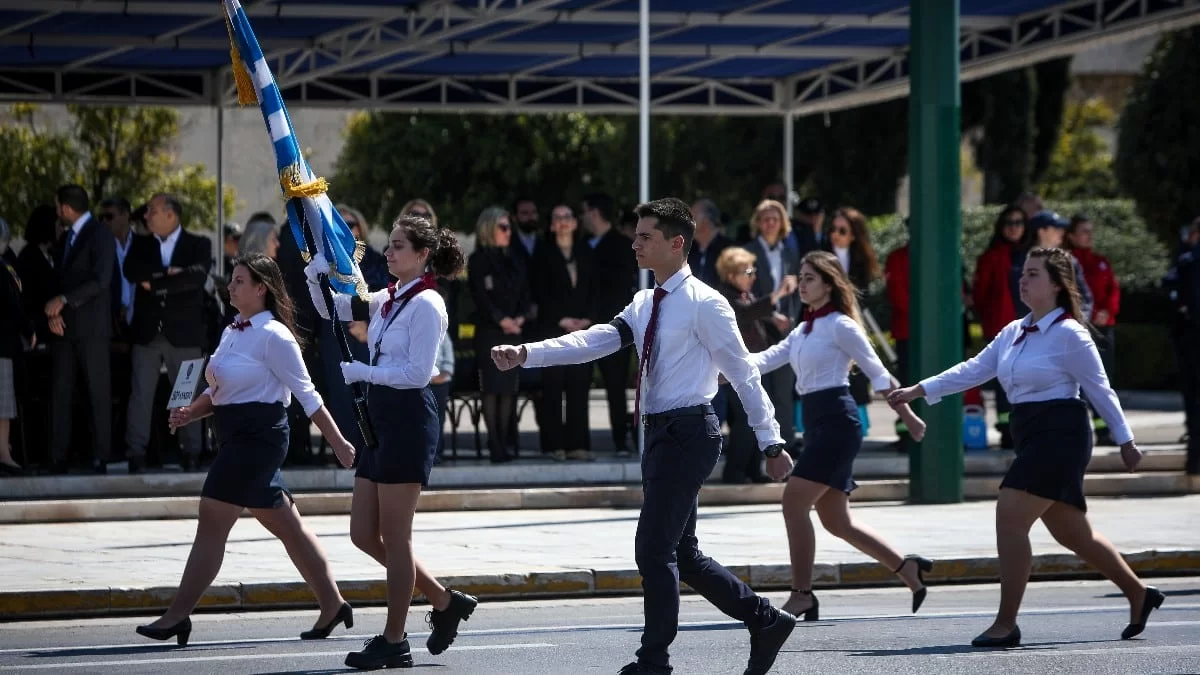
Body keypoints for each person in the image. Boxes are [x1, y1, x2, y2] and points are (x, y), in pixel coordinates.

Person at [491, 198, 797, 675]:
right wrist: (528, 353)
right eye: (635, 236)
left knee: (652, 550)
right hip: (657, 435)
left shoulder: (707, 305)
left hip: (690, 431)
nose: (634, 244)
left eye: (645, 237)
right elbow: (594, 341)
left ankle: (654, 659)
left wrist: (771, 442)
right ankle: (765, 620)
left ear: (677, 244)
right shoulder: (643, 302)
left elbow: (743, 376)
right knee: (684, 554)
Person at [888, 247, 1163, 647]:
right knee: (1075, 535)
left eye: (1033, 274)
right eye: (1023, 273)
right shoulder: (1013, 332)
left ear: (1056, 285)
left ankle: (1006, 623)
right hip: (1031, 433)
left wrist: (1126, 440)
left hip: (1061, 434)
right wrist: (918, 389)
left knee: (1010, 516)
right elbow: (973, 369)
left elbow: (1099, 389)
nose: (1024, 279)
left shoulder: (1071, 333)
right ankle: (1140, 593)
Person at [137, 254, 356, 646]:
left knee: (212, 515)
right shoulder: (232, 331)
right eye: (232, 280)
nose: (231, 286)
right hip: (233, 434)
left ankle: (177, 616)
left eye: (239, 281)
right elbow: (219, 390)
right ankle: (333, 603)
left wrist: (339, 443)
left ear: (261, 289)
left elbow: (308, 396)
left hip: (260, 439)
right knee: (287, 524)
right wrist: (191, 412)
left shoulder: (276, 336)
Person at [305, 214, 477, 671]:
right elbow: (334, 311)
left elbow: (419, 374)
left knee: (396, 539)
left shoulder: (428, 304)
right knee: (363, 533)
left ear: (422, 255)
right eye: (390, 245)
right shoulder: (388, 297)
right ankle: (443, 600)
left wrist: (364, 373)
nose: (388, 251)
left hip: (407, 421)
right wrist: (315, 275)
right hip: (378, 419)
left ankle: (394, 639)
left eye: (398, 246)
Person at [748, 251, 929, 621]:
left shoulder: (841, 326)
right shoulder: (803, 330)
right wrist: (723, 367)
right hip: (817, 425)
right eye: (801, 276)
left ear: (829, 284)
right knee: (836, 521)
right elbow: (765, 359)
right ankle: (908, 568)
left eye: (810, 277)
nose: (802, 283)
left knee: (793, 502)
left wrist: (908, 416)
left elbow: (879, 375)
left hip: (838, 423)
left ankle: (801, 595)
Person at [47, 184, 116, 474]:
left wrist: (64, 300)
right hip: (64, 328)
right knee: (61, 392)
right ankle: (57, 456)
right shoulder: (65, 239)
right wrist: (54, 313)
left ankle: (101, 455)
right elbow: (58, 281)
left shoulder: (100, 235)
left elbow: (101, 280)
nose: (57, 212)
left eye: (58, 206)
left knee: (97, 393)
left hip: (92, 329)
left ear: (67, 207)